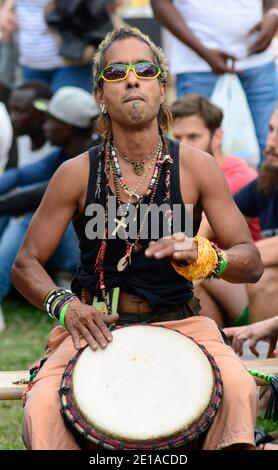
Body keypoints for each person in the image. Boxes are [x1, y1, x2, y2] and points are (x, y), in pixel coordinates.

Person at [12, 25, 263, 450]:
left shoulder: (197, 168)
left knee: (240, 390)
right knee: (41, 409)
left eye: (144, 69)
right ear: (99, 95)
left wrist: (204, 256)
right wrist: (67, 307)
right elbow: (25, 264)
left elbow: (251, 261)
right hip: (94, 329)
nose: (131, 79)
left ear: (162, 88)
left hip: (181, 321)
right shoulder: (75, 174)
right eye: (116, 72)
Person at [0, 86, 100, 332]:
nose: (44, 127)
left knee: (25, 216)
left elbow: (35, 195)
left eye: (51, 121)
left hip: (92, 258)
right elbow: (20, 176)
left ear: (68, 126)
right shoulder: (62, 153)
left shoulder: (92, 159)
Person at [151, 0, 278, 163]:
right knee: (195, 155)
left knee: (271, 149)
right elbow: (160, 4)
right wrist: (203, 52)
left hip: (257, 61)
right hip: (197, 65)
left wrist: (273, 13)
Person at [197, 106, 278, 326]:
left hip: (266, 287)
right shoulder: (268, 179)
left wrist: (212, 258)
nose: (270, 142)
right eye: (271, 130)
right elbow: (214, 220)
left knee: (267, 280)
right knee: (190, 278)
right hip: (255, 292)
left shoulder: (236, 174)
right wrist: (195, 250)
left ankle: (263, 358)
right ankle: (214, 350)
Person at [171, 94, 261, 242]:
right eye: (178, 137)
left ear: (217, 136)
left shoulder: (240, 177)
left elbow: (192, 237)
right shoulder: (178, 170)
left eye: (193, 137)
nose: (183, 145)